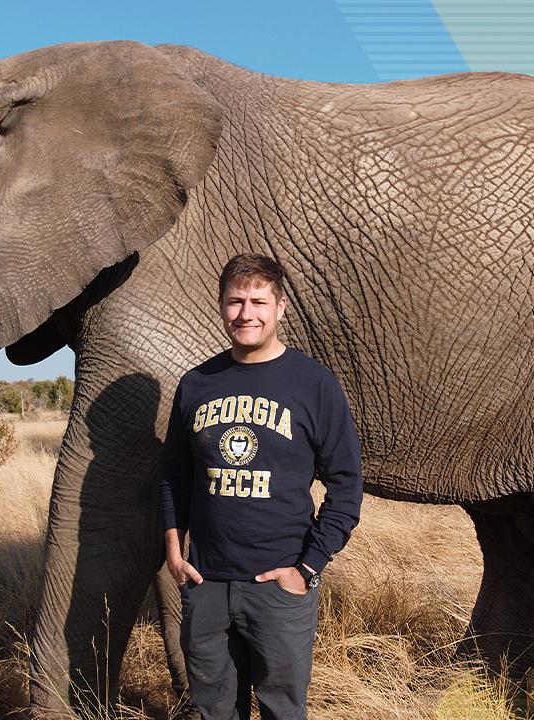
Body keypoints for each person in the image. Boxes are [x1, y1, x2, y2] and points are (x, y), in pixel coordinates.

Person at [160, 253, 363, 720]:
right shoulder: (196, 384)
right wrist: (175, 553)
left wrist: (307, 568)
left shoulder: (314, 385)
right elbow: (173, 475)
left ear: (280, 307)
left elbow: (346, 486)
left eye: (258, 301)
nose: (246, 313)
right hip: (206, 584)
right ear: (220, 305)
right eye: (235, 301)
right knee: (213, 712)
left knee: (282, 711)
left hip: (279, 586)